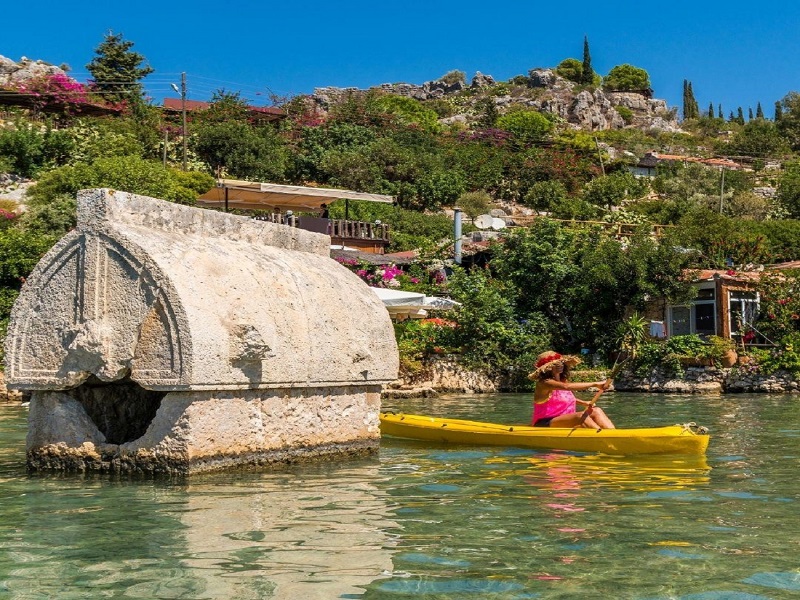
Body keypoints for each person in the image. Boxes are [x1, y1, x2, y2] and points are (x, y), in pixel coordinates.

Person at [528, 351, 615, 429]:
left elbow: (563, 398)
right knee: (580, 416)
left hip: (567, 419)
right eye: (555, 364)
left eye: (561, 362)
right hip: (544, 423)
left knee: (596, 411)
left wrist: (584, 403)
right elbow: (566, 386)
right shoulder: (544, 383)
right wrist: (595, 384)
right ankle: (601, 437)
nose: (560, 365)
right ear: (547, 368)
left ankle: (613, 435)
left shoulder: (563, 381)